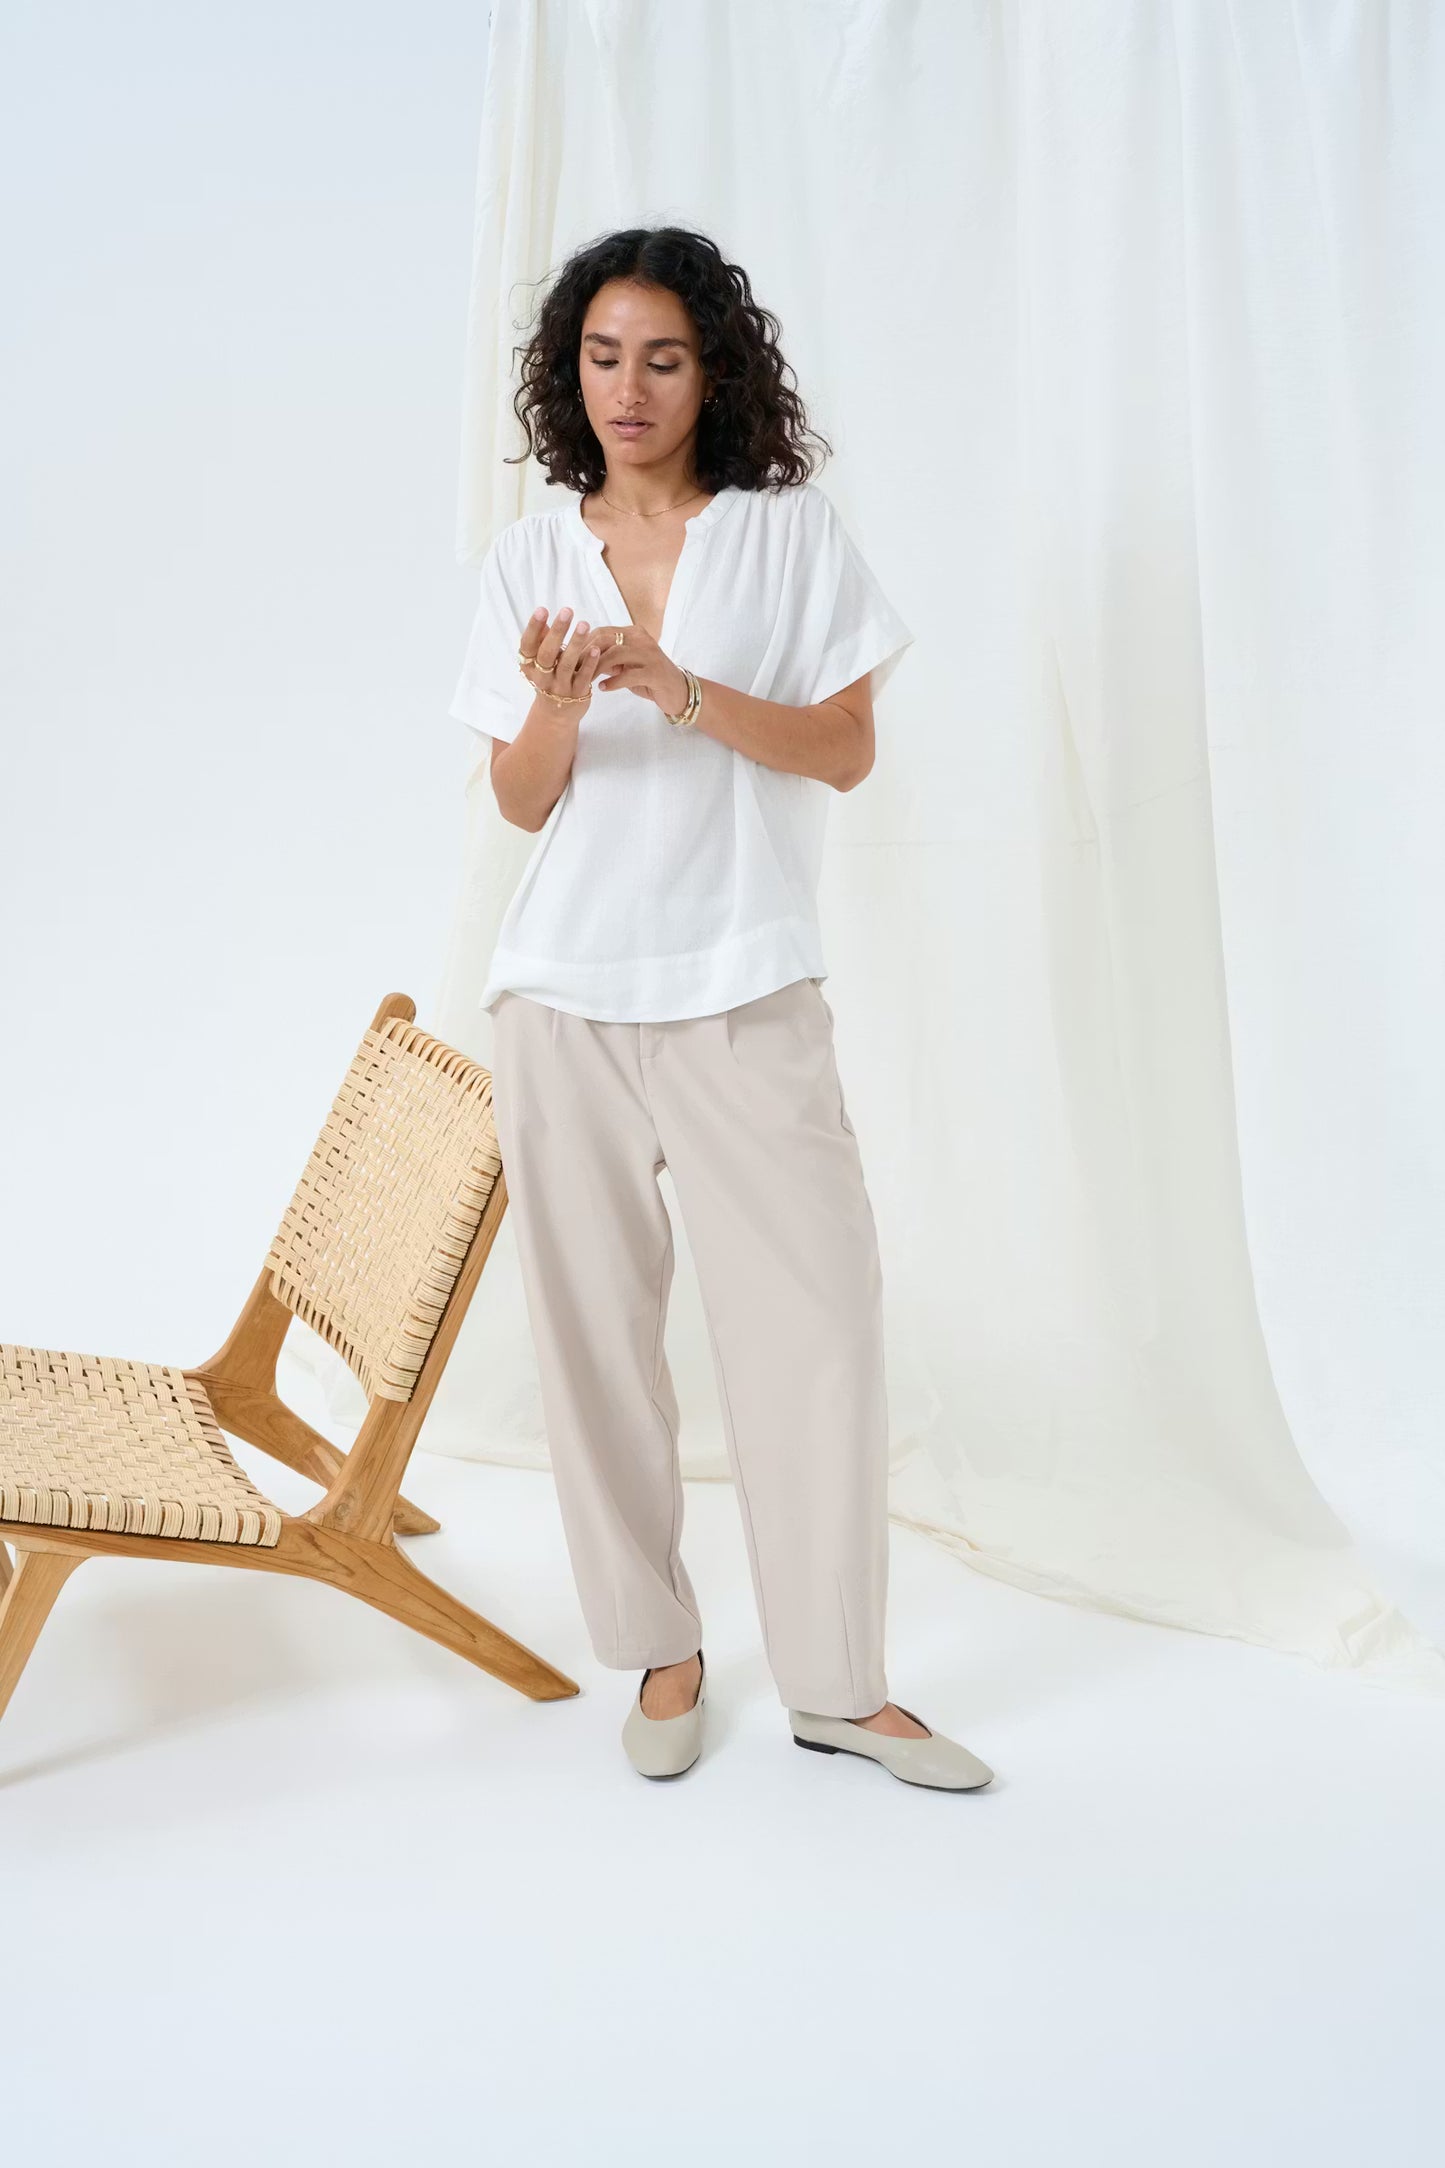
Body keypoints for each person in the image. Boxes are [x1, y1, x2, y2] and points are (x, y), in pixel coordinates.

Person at [448, 224, 992, 1793]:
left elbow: (841, 751)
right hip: (561, 1002)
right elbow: (519, 803)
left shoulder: (787, 537)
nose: (628, 386)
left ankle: (837, 1683)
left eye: (663, 358)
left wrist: (673, 685)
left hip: (745, 989)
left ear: (713, 376)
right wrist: (557, 707)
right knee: (595, 1349)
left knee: (816, 1331)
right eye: (602, 356)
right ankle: (662, 1652)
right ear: (572, 373)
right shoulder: (524, 561)